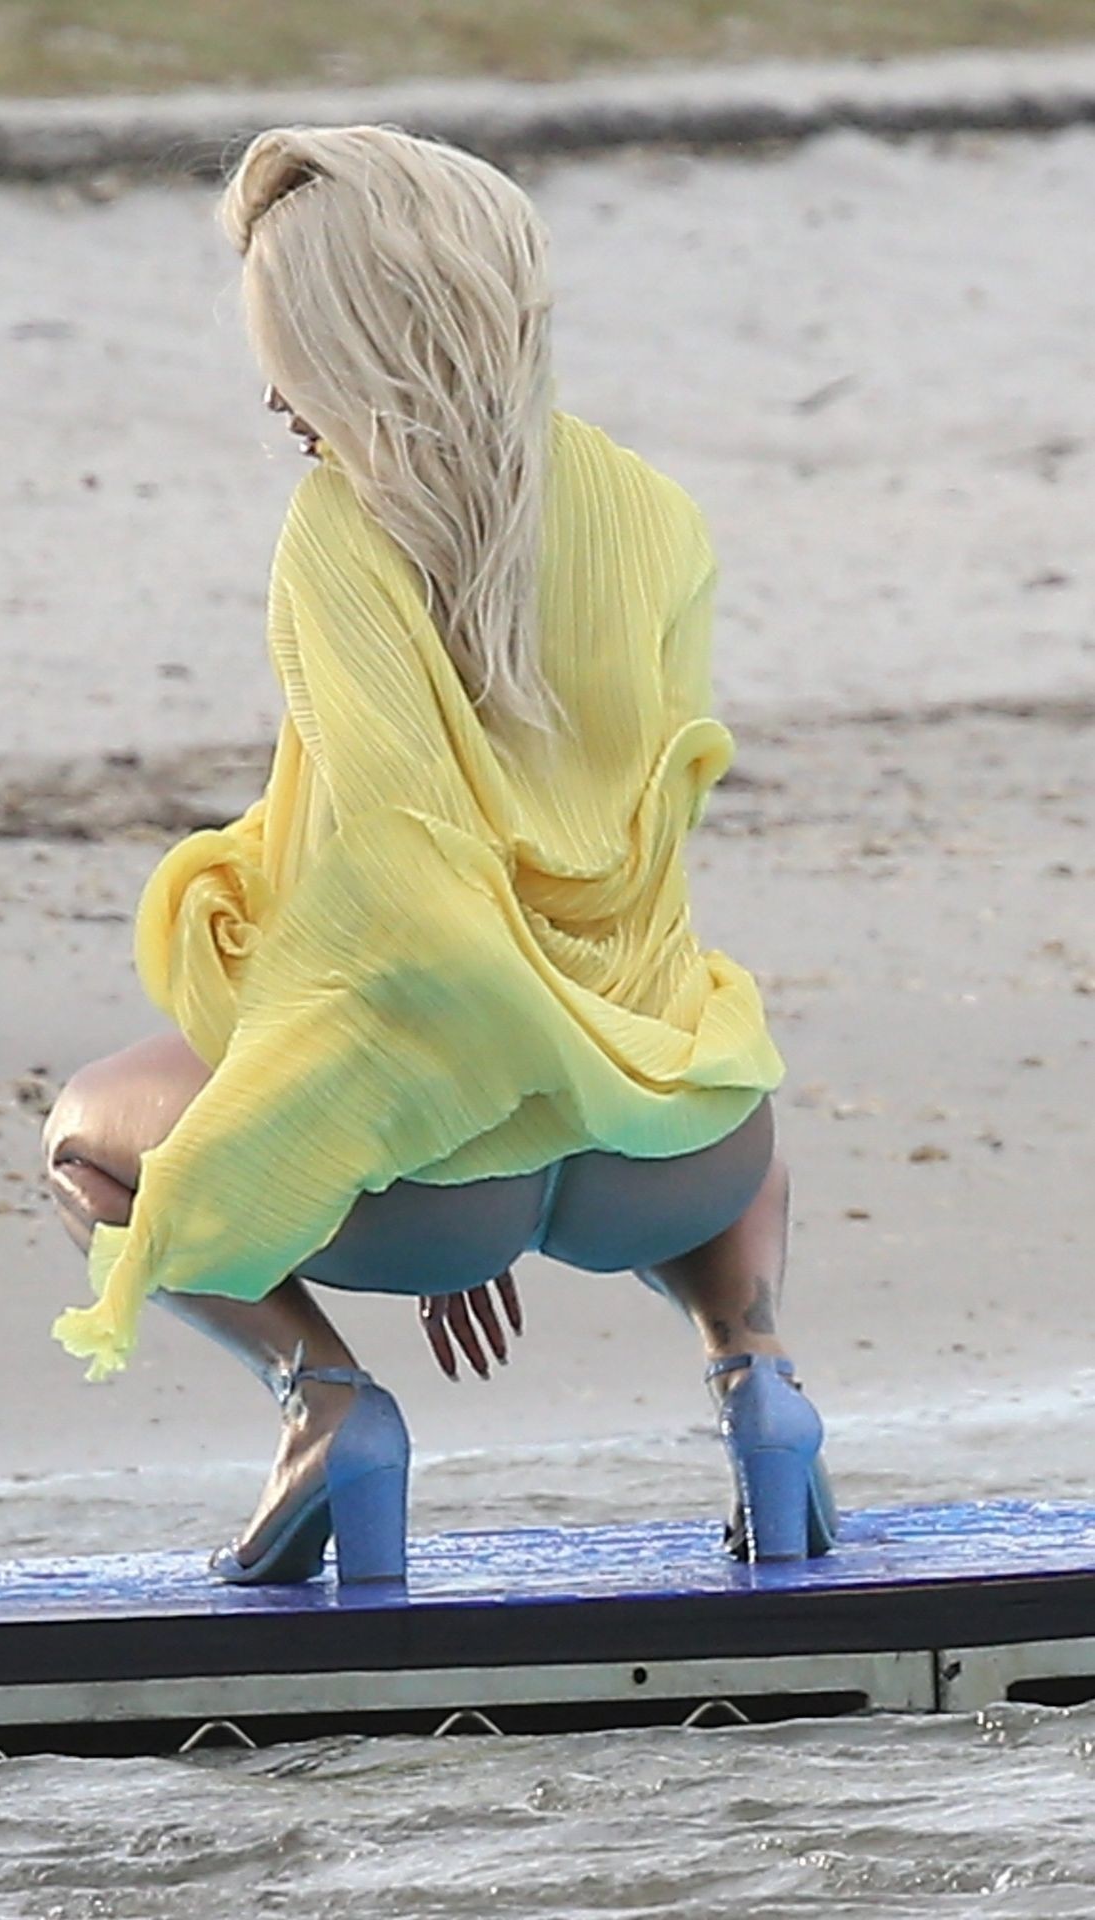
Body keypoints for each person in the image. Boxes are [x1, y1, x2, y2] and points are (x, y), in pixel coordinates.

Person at [42, 124, 837, 1584]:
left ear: (364, 343)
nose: (274, 395)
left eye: (293, 351)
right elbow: (643, 853)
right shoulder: (654, 513)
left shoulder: (342, 532)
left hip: (427, 1187)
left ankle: (328, 1410)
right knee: (717, 1057)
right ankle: (757, 1375)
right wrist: (544, 1080)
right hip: (668, 1167)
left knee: (86, 1139)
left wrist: (431, 1124)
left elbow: (394, 879)